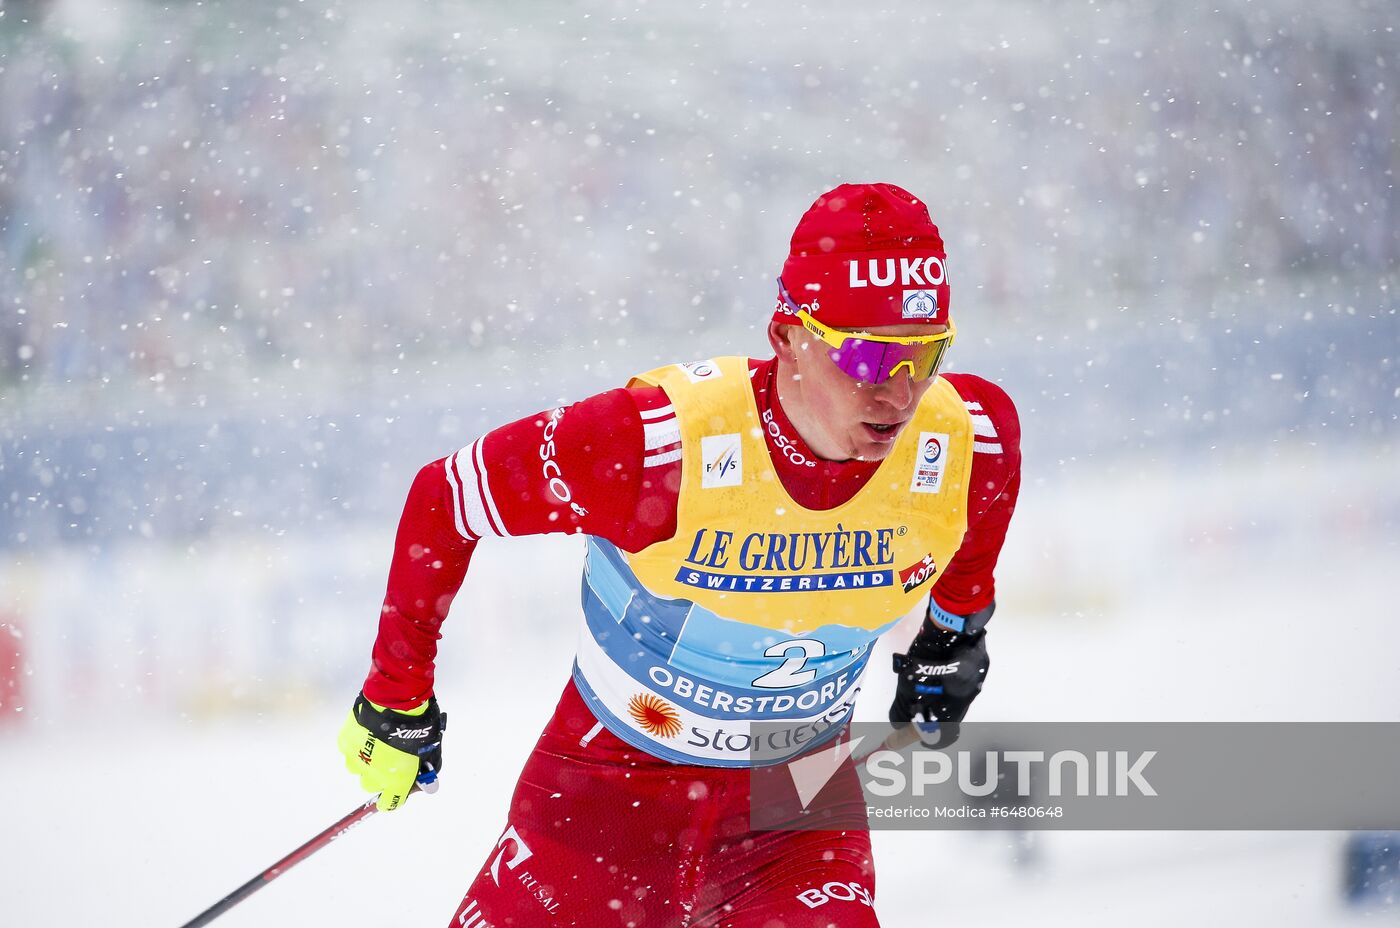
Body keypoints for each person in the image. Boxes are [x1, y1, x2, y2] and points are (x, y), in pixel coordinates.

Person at [336, 182, 1021, 927]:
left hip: (796, 811)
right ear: (787, 334)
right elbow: (447, 497)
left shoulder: (967, 439)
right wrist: (395, 695)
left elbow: (973, 530)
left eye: (928, 352)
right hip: (607, 807)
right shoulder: (658, 445)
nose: (901, 391)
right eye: (866, 356)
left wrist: (954, 638)